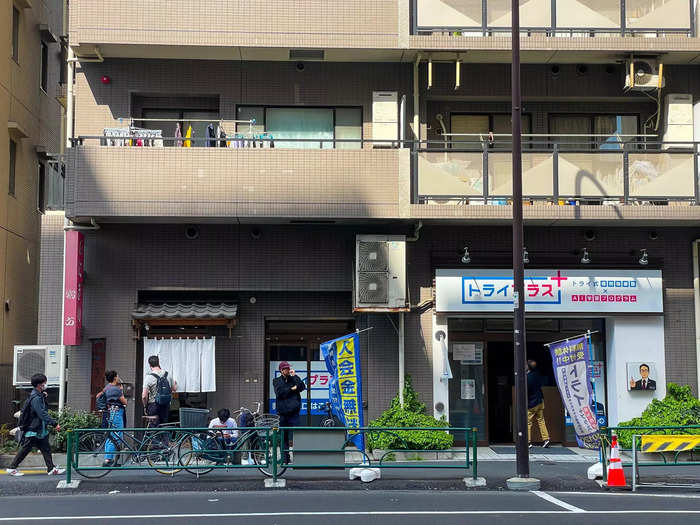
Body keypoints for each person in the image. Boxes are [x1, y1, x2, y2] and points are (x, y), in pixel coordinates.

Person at [6, 373, 65, 476]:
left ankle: (51, 468)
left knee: (46, 448)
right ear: (39, 385)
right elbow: (41, 413)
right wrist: (54, 423)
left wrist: (43, 395)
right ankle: (12, 468)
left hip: (39, 429)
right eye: (44, 383)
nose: (45, 384)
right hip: (33, 429)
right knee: (25, 449)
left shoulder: (37, 395)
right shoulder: (36, 398)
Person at [273, 361, 306, 463]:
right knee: (284, 436)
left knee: (298, 434)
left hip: (294, 413)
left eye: (288, 368)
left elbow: (302, 387)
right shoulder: (277, 380)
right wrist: (292, 389)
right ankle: (285, 458)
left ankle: (299, 457)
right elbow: (280, 393)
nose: (288, 370)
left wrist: (295, 376)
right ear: (281, 370)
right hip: (283, 413)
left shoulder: (293, 379)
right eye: (286, 368)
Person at [142, 355, 177, 427]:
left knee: (154, 430)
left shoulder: (149, 377)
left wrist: (145, 406)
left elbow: (144, 396)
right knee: (164, 427)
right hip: (165, 405)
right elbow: (174, 389)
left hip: (153, 406)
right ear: (158, 363)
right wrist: (175, 383)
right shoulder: (168, 375)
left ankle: (154, 438)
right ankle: (165, 438)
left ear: (150, 365)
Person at [103, 371, 128, 467]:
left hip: (110, 412)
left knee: (112, 435)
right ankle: (108, 459)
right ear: (114, 378)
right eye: (117, 376)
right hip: (117, 413)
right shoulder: (116, 389)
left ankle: (109, 459)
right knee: (117, 435)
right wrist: (121, 391)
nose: (118, 377)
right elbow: (125, 402)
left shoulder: (107, 388)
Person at [526, 359, 550, 448]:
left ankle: (528, 442)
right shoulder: (537, 374)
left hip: (532, 403)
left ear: (528, 367)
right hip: (540, 401)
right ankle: (546, 439)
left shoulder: (527, 377)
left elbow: (527, 392)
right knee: (541, 420)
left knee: (528, 422)